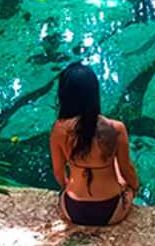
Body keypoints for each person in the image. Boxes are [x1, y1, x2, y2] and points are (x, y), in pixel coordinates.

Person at [49, 62, 140, 226]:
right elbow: (127, 171)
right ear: (94, 93)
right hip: (111, 209)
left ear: (64, 95)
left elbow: (58, 172)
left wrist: (68, 187)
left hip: (73, 209)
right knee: (119, 169)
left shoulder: (59, 129)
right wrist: (133, 189)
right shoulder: (116, 128)